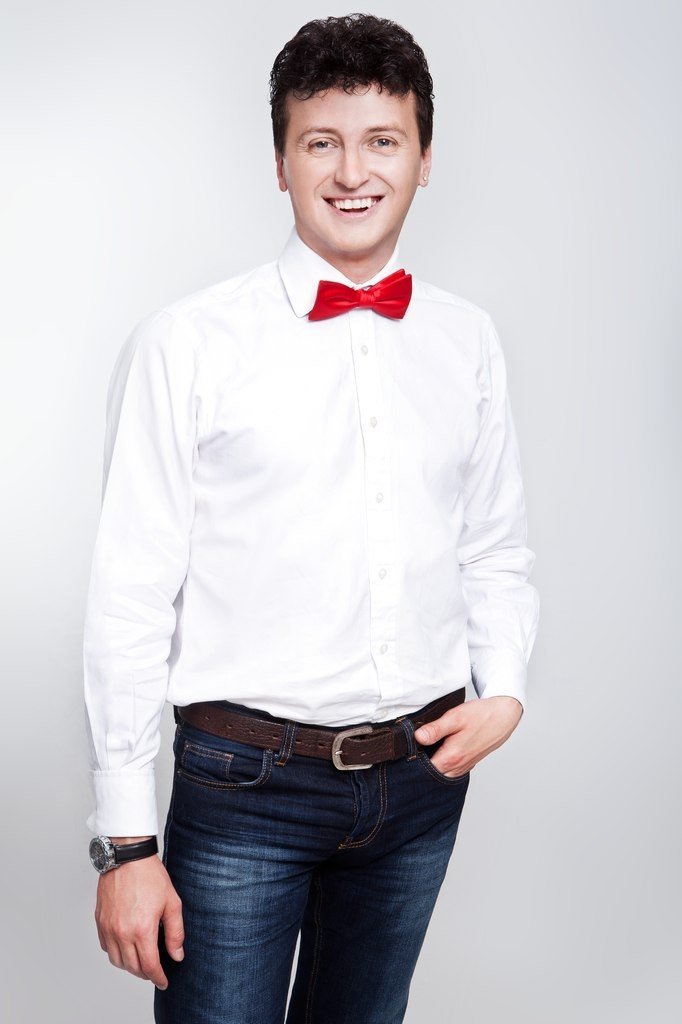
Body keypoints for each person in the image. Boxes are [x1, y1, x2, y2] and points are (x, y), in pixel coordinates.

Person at [84, 13, 540, 1024]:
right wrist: (125, 844)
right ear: (280, 161)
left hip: (419, 785)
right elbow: (129, 594)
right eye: (321, 141)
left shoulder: (467, 339)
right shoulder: (187, 344)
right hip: (245, 786)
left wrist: (504, 686)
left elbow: (494, 543)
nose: (353, 172)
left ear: (425, 159)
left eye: (383, 140)